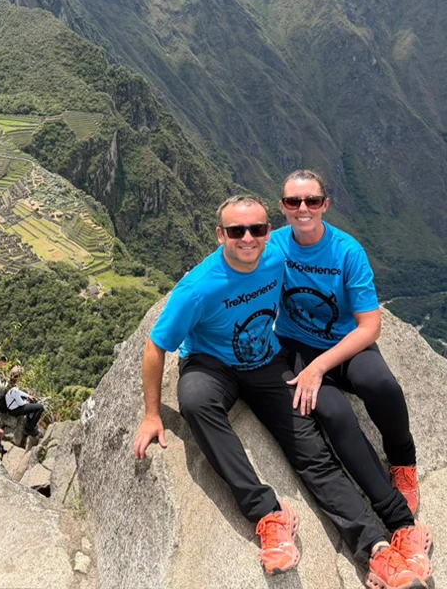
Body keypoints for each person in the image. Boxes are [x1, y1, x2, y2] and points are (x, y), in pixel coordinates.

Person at [133, 195, 432, 587]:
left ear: (268, 232)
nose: (247, 239)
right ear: (220, 234)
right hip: (211, 364)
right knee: (194, 400)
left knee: (312, 454)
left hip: (266, 362)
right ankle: (268, 515)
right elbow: (156, 345)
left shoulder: (276, 259)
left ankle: (375, 549)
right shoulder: (198, 288)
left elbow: (319, 270)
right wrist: (152, 414)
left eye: (257, 229)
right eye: (236, 231)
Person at [273, 170, 423, 522]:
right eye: (294, 201)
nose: (303, 208)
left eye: (311, 200)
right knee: (333, 412)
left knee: (380, 384)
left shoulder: (346, 252)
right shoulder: (274, 246)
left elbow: (370, 326)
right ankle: (385, 504)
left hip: (345, 344)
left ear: (325, 204)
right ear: (283, 207)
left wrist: (320, 366)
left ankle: (402, 460)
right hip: (296, 345)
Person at [4, 366, 44, 440]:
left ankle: (29, 422)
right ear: (18, 377)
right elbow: (21, 403)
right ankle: (29, 429)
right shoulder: (14, 389)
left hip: (13, 407)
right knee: (40, 408)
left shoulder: (10, 384)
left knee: (33, 401)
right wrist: (27, 401)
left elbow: (19, 392)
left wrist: (29, 396)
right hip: (15, 410)